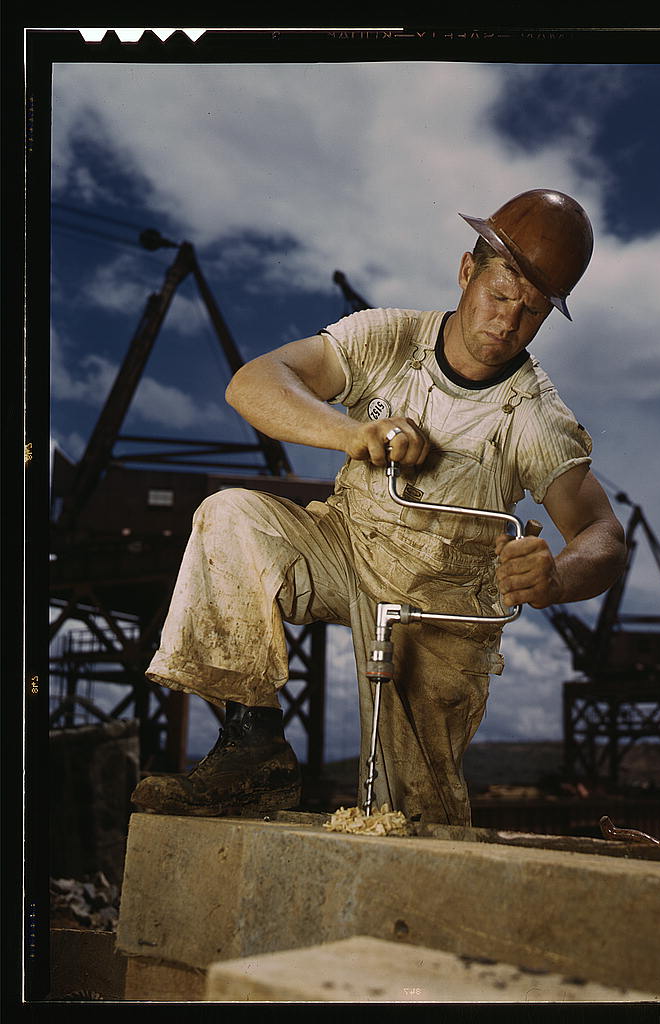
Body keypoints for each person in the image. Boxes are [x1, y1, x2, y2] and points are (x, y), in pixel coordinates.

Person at [131, 189, 627, 826]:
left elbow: (603, 534)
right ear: (466, 271)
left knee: (414, 815)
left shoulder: (534, 417)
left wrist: (557, 577)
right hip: (345, 546)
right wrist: (348, 433)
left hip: (440, 609)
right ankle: (252, 754)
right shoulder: (387, 339)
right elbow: (251, 383)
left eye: (529, 313)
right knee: (231, 517)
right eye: (500, 296)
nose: (506, 324)